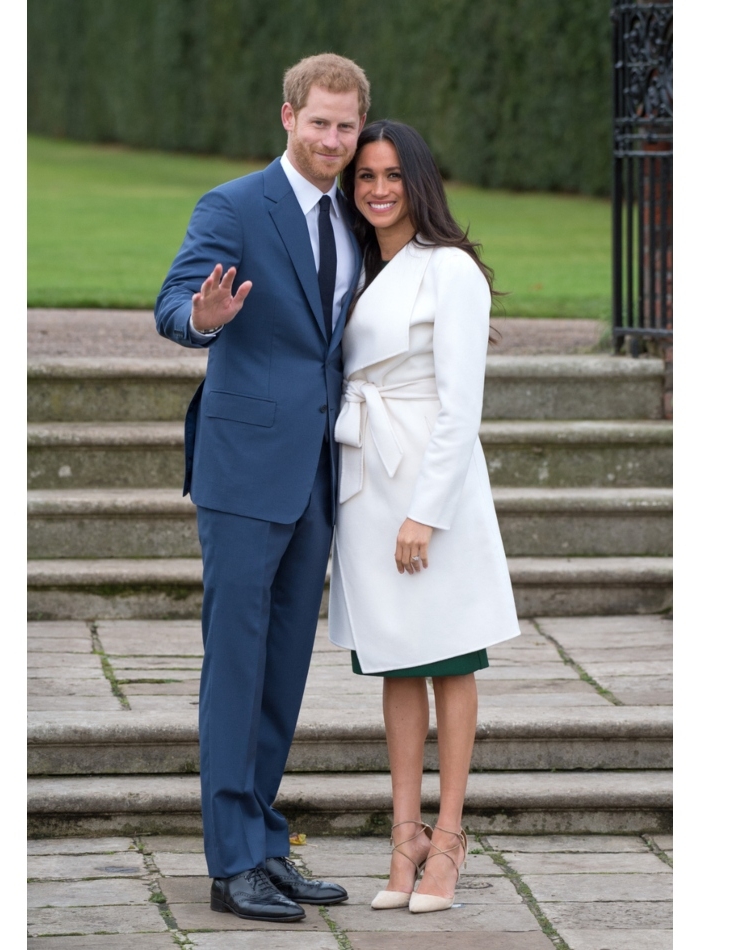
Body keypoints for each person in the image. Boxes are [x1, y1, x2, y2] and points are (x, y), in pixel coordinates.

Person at [155, 53, 369, 923]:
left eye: (346, 126)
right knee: (236, 665)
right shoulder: (236, 205)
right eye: (318, 121)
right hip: (244, 472)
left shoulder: (357, 215)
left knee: (281, 669)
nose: (331, 139)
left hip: (318, 472)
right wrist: (202, 319)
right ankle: (230, 862)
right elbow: (173, 302)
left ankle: (264, 842)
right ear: (287, 117)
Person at [329, 120, 522, 914]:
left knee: (450, 656)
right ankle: (403, 838)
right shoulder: (350, 266)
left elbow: (460, 404)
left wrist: (426, 513)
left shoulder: (451, 271)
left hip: (427, 485)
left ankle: (447, 840)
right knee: (396, 660)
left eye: (391, 176)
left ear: (419, 182)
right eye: (364, 176)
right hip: (365, 480)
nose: (376, 189)